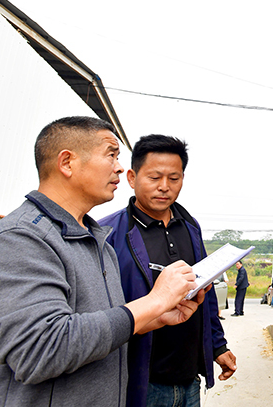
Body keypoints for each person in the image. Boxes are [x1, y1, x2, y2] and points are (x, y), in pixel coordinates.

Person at [0, 116, 201, 407]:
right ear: (67, 163)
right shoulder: (19, 240)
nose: (120, 168)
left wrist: (151, 320)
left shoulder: (96, 241)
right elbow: (41, 351)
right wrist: (154, 301)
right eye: (111, 154)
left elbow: (97, 328)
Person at [100, 134, 236, 407]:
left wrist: (218, 346)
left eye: (174, 179)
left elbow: (205, 293)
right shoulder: (109, 234)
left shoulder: (190, 226)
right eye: (154, 178)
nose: (164, 187)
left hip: (188, 379)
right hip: (140, 382)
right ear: (131, 177)